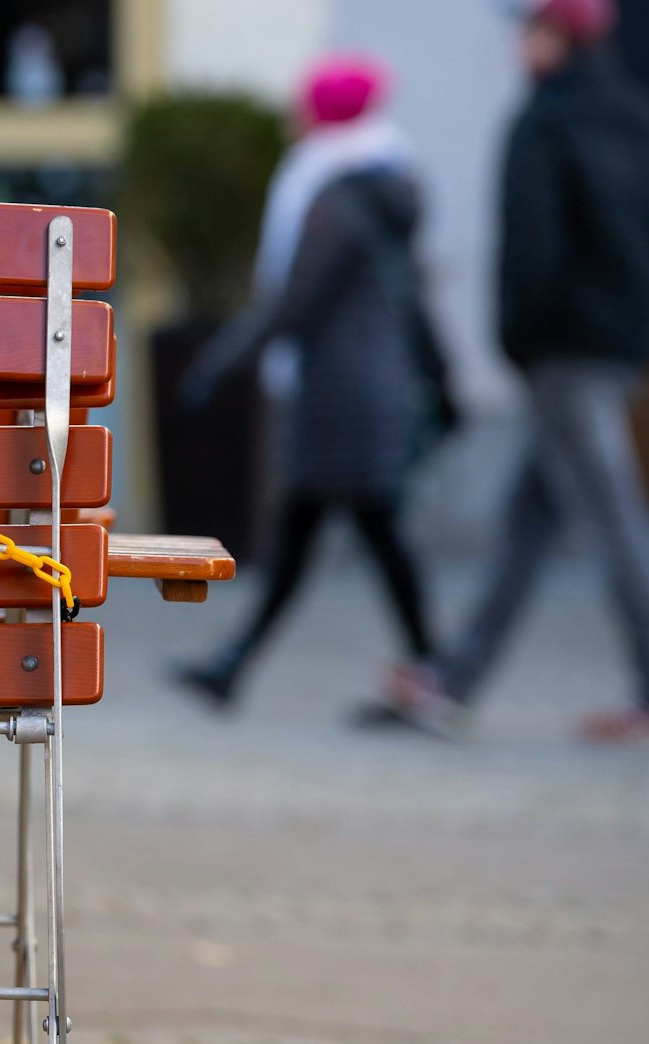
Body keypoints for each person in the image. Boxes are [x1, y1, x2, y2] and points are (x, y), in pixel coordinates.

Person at [388, 0, 649, 743]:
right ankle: (455, 681)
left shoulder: (545, 120)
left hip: (564, 354)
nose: (519, 44)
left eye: (530, 29)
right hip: (618, 347)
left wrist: (520, 340)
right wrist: (635, 307)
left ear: (560, 36)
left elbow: (530, 249)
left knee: (614, 516)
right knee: (529, 520)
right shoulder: (646, 115)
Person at [172, 54, 451, 708]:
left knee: (363, 534)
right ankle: (233, 665)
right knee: (323, 535)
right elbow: (413, 294)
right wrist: (444, 379)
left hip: (336, 395)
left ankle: (434, 666)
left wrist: (220, 361)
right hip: (372, 387)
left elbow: (292, 303)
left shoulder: (332, 196)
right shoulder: (390, 186)